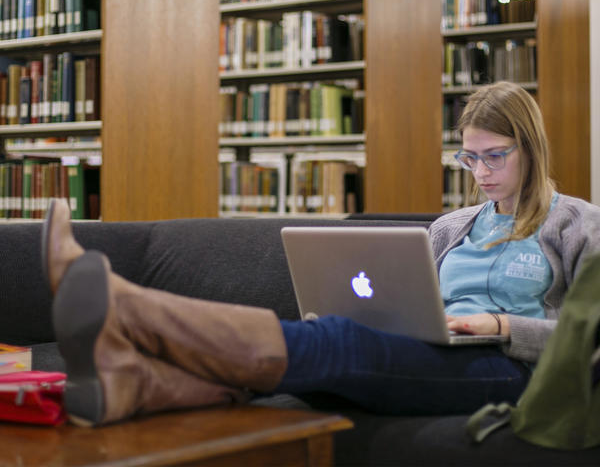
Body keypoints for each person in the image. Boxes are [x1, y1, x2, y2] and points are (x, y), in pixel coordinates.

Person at [44, 81, 600, 426]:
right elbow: (411, 303)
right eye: (468, 158)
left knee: (336, 345)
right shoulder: (451, 227)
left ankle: (129, 308)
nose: (480, 173)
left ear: (531, 148)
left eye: (495, 157)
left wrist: (500, 324)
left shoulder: (577, 223)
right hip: (439, 351)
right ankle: (134, 385)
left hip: (512, 370)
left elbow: (589, 341)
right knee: (331, 336)